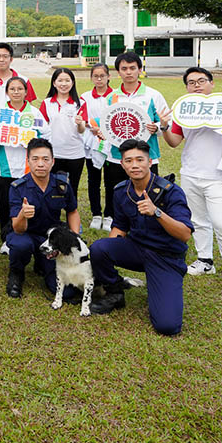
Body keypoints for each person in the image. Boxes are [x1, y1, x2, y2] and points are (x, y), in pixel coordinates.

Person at [88, 140, 193, 336]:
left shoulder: (171, 192)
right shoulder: (121, 190)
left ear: (150, 161)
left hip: (165, 257)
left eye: (139, 159)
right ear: (122, 164)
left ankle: (161, 285)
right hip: (136, 249)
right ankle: (115, 292)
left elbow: (185, 234)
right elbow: (120, 226)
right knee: (99, 248)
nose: (134, 165)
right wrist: (107, 252)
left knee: (167, 326)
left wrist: (157, 213)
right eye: (129, 160)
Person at [162, 67, 222, 292]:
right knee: (198, 220)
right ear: (186, 88)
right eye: (191, 83)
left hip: (219, 176)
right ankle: (205, 261)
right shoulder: (183, 112)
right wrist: (163, 127)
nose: (197, 85)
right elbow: (174, 142)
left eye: (202, 81)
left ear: (212, 84)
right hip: (191, 173)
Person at [5, 139, 81, 299]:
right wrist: (22, 215)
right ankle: (16, 274)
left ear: (53, 162)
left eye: (45, 159)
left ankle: (42, 263)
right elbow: (18, 228)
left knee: (66, 292)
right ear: (28, 161)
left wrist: (75, 238)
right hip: (26, 234)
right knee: (21, 245)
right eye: (35, 159)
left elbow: (72, 211)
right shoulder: (18, 188)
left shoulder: (62, 185)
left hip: (51, 237)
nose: (40, 164)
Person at [101, 52, 170, 222]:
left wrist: (158, 128)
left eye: (133, 68)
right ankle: (119, 227)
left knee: (147, 194)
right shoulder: (111, 97)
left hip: (147, 156)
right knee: (118, 193)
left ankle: (147, 228)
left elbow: (166, 124)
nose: (128, 72)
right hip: (117, 157)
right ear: (118, 72)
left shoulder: (153, 95)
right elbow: (106, 123)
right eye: (124, 68)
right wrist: (102, 132)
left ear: (140, 69)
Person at [0, 76, 46, 253]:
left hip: (28, 169)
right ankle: (7, 239)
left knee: (29, 205)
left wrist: (34, 139)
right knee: (6, 205)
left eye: (20, 89)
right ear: (7, 92)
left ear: (26, 92)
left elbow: (46, 135)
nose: (16, 92)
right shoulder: (0, 114)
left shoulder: (34, 114)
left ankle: (32, 236)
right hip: (4, 168)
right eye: (12, 89)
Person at [0, 42, 36, 226]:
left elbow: (31, 105)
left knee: (18, 173)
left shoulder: (23, 79)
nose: (1, 59)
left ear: (11, 58)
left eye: (5, 56)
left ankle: (18, 209)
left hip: (18, 136)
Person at [79, 63, 114, 230]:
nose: (99, 79)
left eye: (102, 76)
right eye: (96, 76)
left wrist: (106, 131)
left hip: (111, 145)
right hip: (92, 143)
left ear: (109, 76)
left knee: (110, 181)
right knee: (93, 180)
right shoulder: (85, 97)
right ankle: (96, 214)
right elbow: (82, 119)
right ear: (91, 78)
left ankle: (109, 215)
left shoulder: (116, 96)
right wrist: (93, 128)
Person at [39, 68, 86, 191]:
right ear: (54, 83)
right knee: (54, 188)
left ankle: (71, 210)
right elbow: (41, 127)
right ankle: (55, 211)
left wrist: (80, 123)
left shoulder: (80, 103)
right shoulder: (47, 103)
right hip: (54, 153)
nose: (63, 84)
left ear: (73, 82)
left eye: (67, 80)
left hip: (75, 153)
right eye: (60, 80)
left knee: (72, 188)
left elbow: (82, 130)